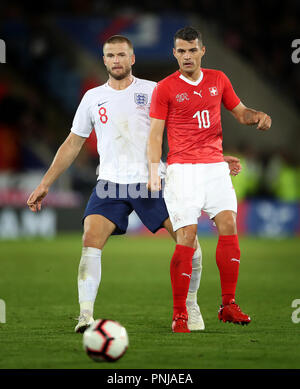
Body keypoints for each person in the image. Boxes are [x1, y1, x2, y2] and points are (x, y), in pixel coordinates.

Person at [27, 35, 241, 334]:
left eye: (122, 55)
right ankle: (86, 316)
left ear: (132, 59)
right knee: (90, 238)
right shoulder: (92, 98)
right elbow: (72, 143)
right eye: (111, 55)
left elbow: (189, 127)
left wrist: (215, 157)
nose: (116, 60)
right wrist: (46, 183)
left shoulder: (154, 90)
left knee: (188, 242)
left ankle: (189, 304)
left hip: (152, 181)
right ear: (104, 60)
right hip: (111, 183)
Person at [148, 26, 271, 332]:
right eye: (181, 51)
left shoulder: (219, 79)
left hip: (215, 168)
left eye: (192, 50)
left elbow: (240, 112)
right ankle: (180, 314)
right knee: (187, 236)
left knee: (229, 226)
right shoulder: (164, 88)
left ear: (203, 51)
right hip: (183, 171)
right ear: (174, 53)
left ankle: (228, 304)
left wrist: (258, 116)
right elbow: (155, 133)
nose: (187, 56)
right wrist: (153, 169)